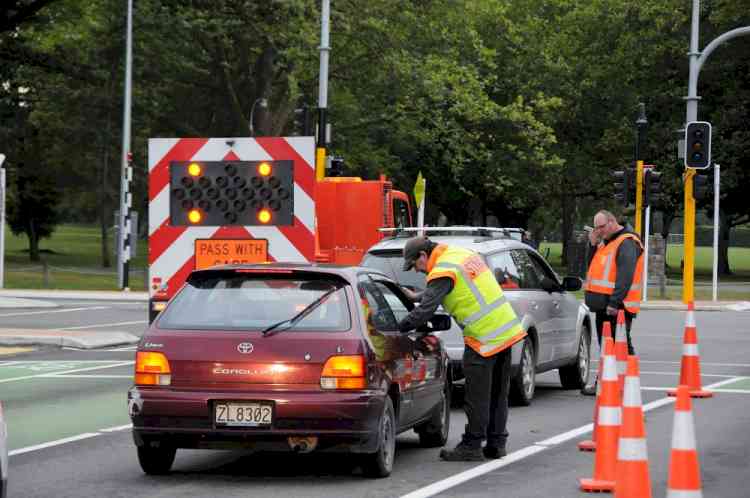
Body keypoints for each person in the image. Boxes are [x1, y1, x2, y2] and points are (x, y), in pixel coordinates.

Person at [397, 236, 526, 461]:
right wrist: (417, 295)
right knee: (497, 393)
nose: (418, 271)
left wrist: (398, 328)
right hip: (505, 331)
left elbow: (425, 312)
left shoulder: (441, 271)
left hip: (483, 336)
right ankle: (497, 443)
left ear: (424, 256)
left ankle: (472, 445)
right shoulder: (458, 255)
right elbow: (446, 287)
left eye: (415, 265)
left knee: (476, 396)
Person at [581, 210, 644, 395]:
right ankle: (607, 381)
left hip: (618, 307)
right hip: (605, 306)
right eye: (596, 228)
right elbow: (593, 268)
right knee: (607, 346)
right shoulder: (607, 243)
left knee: (621, 345)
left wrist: (614, 303)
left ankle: (628, 382)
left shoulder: (626, 242)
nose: (598, 231)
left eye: (601, 227)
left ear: (612, 222)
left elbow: (625, 276)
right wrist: (592, 245)